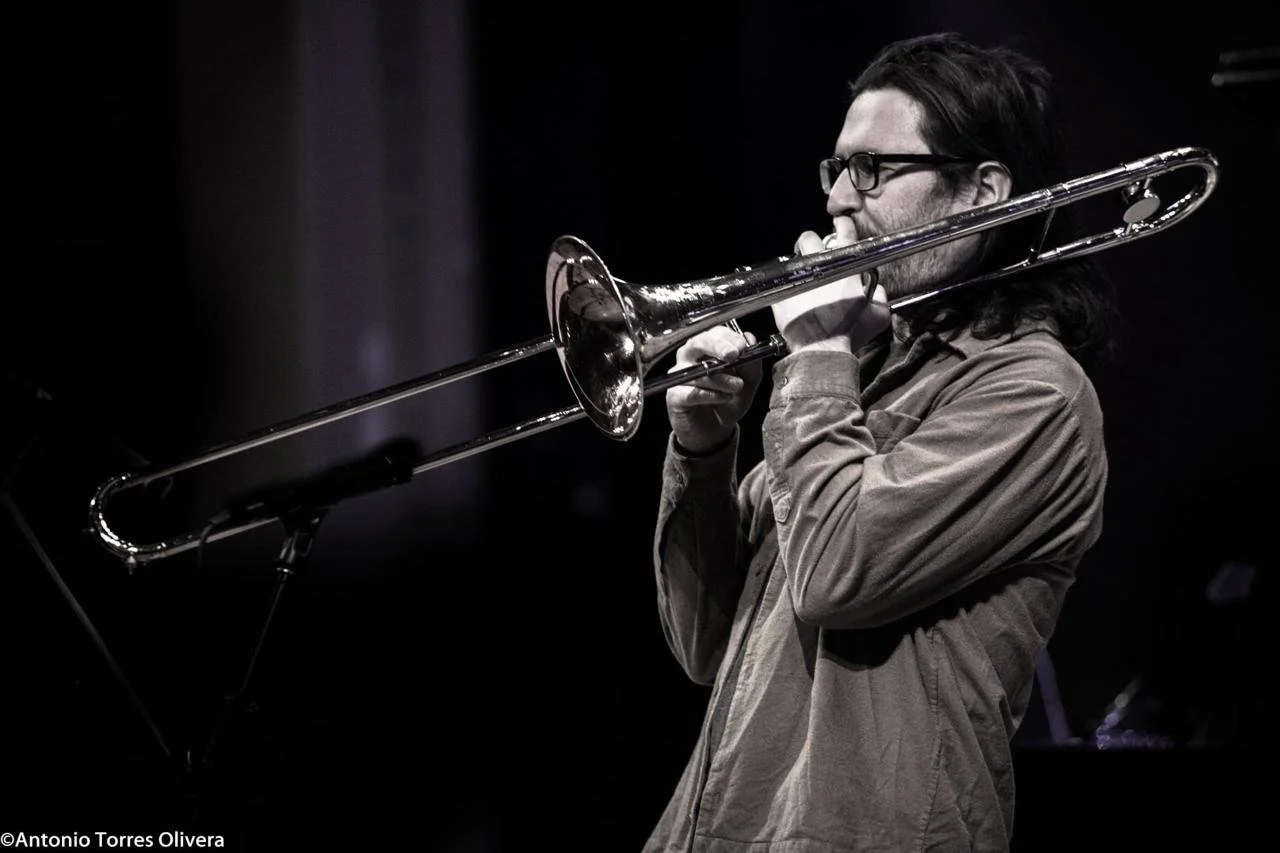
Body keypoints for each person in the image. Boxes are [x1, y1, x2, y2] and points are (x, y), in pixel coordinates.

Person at [645, 32, 1117, 852]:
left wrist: (818, 354)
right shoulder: (856, 372)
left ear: (981, 191)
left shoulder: (1036, 394)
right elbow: (703, 645)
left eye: (874, 170)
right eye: (836, 168)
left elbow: (837, 575)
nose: (836, 202)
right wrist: (704, 446)